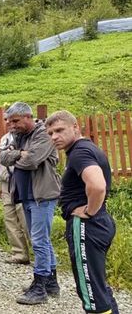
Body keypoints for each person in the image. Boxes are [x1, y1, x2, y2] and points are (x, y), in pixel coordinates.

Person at [46, 110, 119, 314]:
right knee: (97, 285)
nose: (54, 137)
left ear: (75, 127)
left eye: (59, 130)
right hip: (99, 222)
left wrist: (89, 210)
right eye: (50, 133)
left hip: (88, 225)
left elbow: (97, 186)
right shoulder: (86, 149)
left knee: (91, 293)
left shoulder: (80, 152)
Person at [0, 102, 61, 305]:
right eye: (9, 122)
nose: (12, 125)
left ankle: (40, 286)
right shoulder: (18, 136)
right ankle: (51, 283)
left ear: (28, 117)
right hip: (25, 194)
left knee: (39, 240)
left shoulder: (43, 135)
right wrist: (20, 154)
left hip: (42, 195)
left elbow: (31, 161)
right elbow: (2, 157)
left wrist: (19, 156)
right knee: (41, 239)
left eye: (15, 121)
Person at [0, 127, 31, 265]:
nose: (9, 123)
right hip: (6, 182)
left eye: (13, 120)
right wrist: (0, 184)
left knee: (25, 218)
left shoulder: (27, 138)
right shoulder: (4, 138)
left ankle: (40, 254)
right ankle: (19, 253)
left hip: (20, 182)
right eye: (7, 120)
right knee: (9, 218)